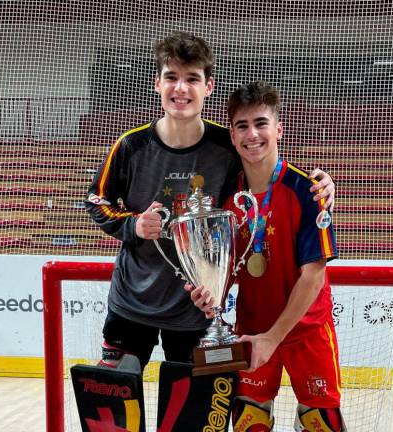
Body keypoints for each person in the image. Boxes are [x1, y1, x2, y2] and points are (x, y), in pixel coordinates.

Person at [85, 32, 336, 371]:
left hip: (198, 309)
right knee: (115, 412)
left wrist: (318, 184)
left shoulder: (226, 146)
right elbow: (95, 201)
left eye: (192, 79)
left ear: (209, 86)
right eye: (172, 77)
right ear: (157, 83)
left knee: (190, 416)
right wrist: (133, 224)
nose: (181, 89)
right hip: (132, 303)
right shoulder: (130, 146)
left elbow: (263, 167)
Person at [187, 81, 345, 431]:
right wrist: (205, 292)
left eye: (261, 123)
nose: (252, 134)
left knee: (320, 421)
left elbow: (313, 275)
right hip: (251, 331)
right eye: (242, 126)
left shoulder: (309, 190)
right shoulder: (226, 197)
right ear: (232, 135)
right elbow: (223, 268)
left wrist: (273, 338)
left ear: (278, 130)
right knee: (250, 421)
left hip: (307, 331)